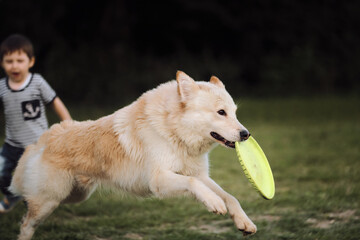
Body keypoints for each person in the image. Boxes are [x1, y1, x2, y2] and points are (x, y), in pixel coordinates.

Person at [0, 34, 72, 213]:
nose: (14, 65)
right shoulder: (1, 86)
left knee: (31, 181)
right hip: (11, 145)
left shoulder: (37, 82)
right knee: (2, 173)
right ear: (2, 63)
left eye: (19, 60)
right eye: (9, 61)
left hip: (37, 144)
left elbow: (55, 101)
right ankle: (12, 195)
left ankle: (33, 206)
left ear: (30, 62)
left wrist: (69, 124)